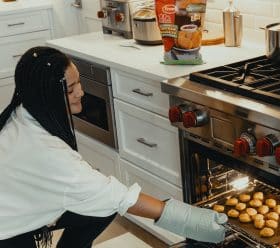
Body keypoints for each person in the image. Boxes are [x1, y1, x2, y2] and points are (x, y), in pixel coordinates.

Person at [0, 47, 228, 248]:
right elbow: (119, 198)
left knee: (99, 207)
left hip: (13, 207)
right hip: (6, 230)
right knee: (106, 200)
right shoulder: (47, 153)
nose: (80, 92)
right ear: (45, 95)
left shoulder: (23, 112)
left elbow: (101, 194)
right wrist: (192, 221)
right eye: (70, 89)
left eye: (78, 82)